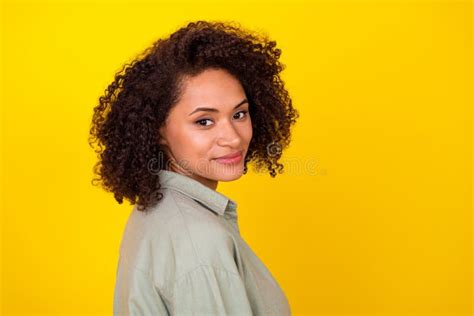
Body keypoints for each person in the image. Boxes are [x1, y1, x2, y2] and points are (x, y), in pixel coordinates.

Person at [89, 20, 299, 315]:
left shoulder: (156, 211)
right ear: (158, 129)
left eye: (239, 114)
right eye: (204, 121)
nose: (233, 137)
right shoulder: (201, 243)